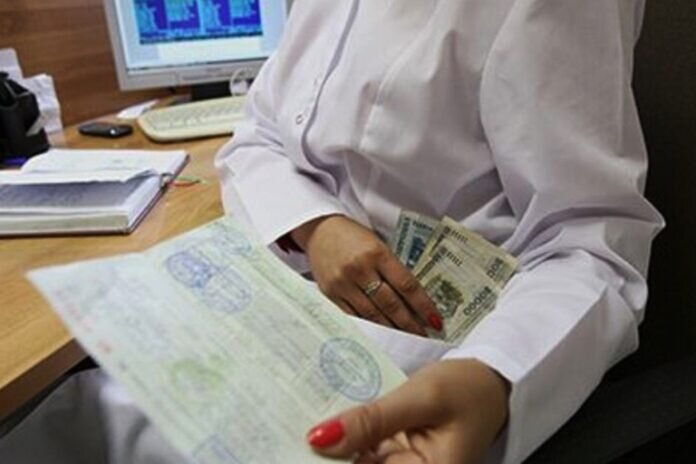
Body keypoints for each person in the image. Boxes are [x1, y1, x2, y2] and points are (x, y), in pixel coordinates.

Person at [214, 0, 664, 463]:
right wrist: (317, 227)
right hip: (277, 315)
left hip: (430, 380)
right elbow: (258, 134)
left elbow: (593, 248)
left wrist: (492, 377)